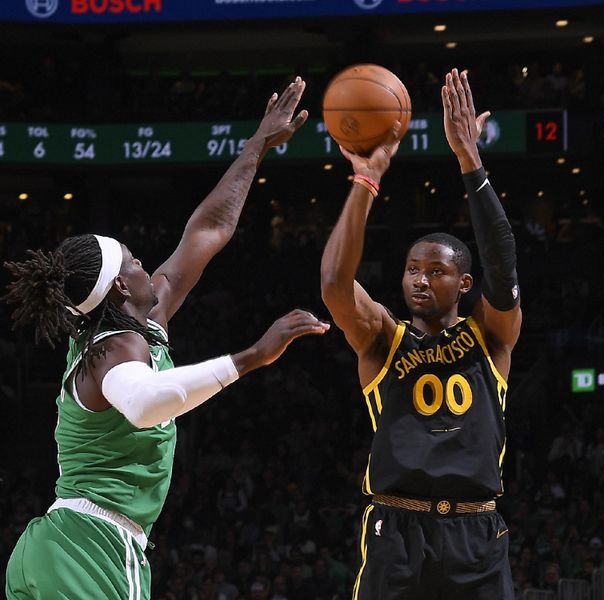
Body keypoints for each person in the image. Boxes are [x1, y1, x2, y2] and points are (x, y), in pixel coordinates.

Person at [3, 77, 330, 600]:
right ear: (116, 287)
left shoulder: (138, 324)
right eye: (133, 261)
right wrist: (252, 357)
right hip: (94, 549)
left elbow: (205, 232)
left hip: (58, 545)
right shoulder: (115, 348)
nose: (143, 264)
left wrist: (256, 146)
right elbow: (146, 402)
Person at [321, 68, 522, 599]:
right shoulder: (383, 339)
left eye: (435, 271)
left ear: (464, 283)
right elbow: (335, 284)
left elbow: (504, 267)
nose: (420, 279)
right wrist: (366, 179)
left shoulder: (490, 338)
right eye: (413, 269)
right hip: (397, 528)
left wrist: (470, 163)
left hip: (476, 530)